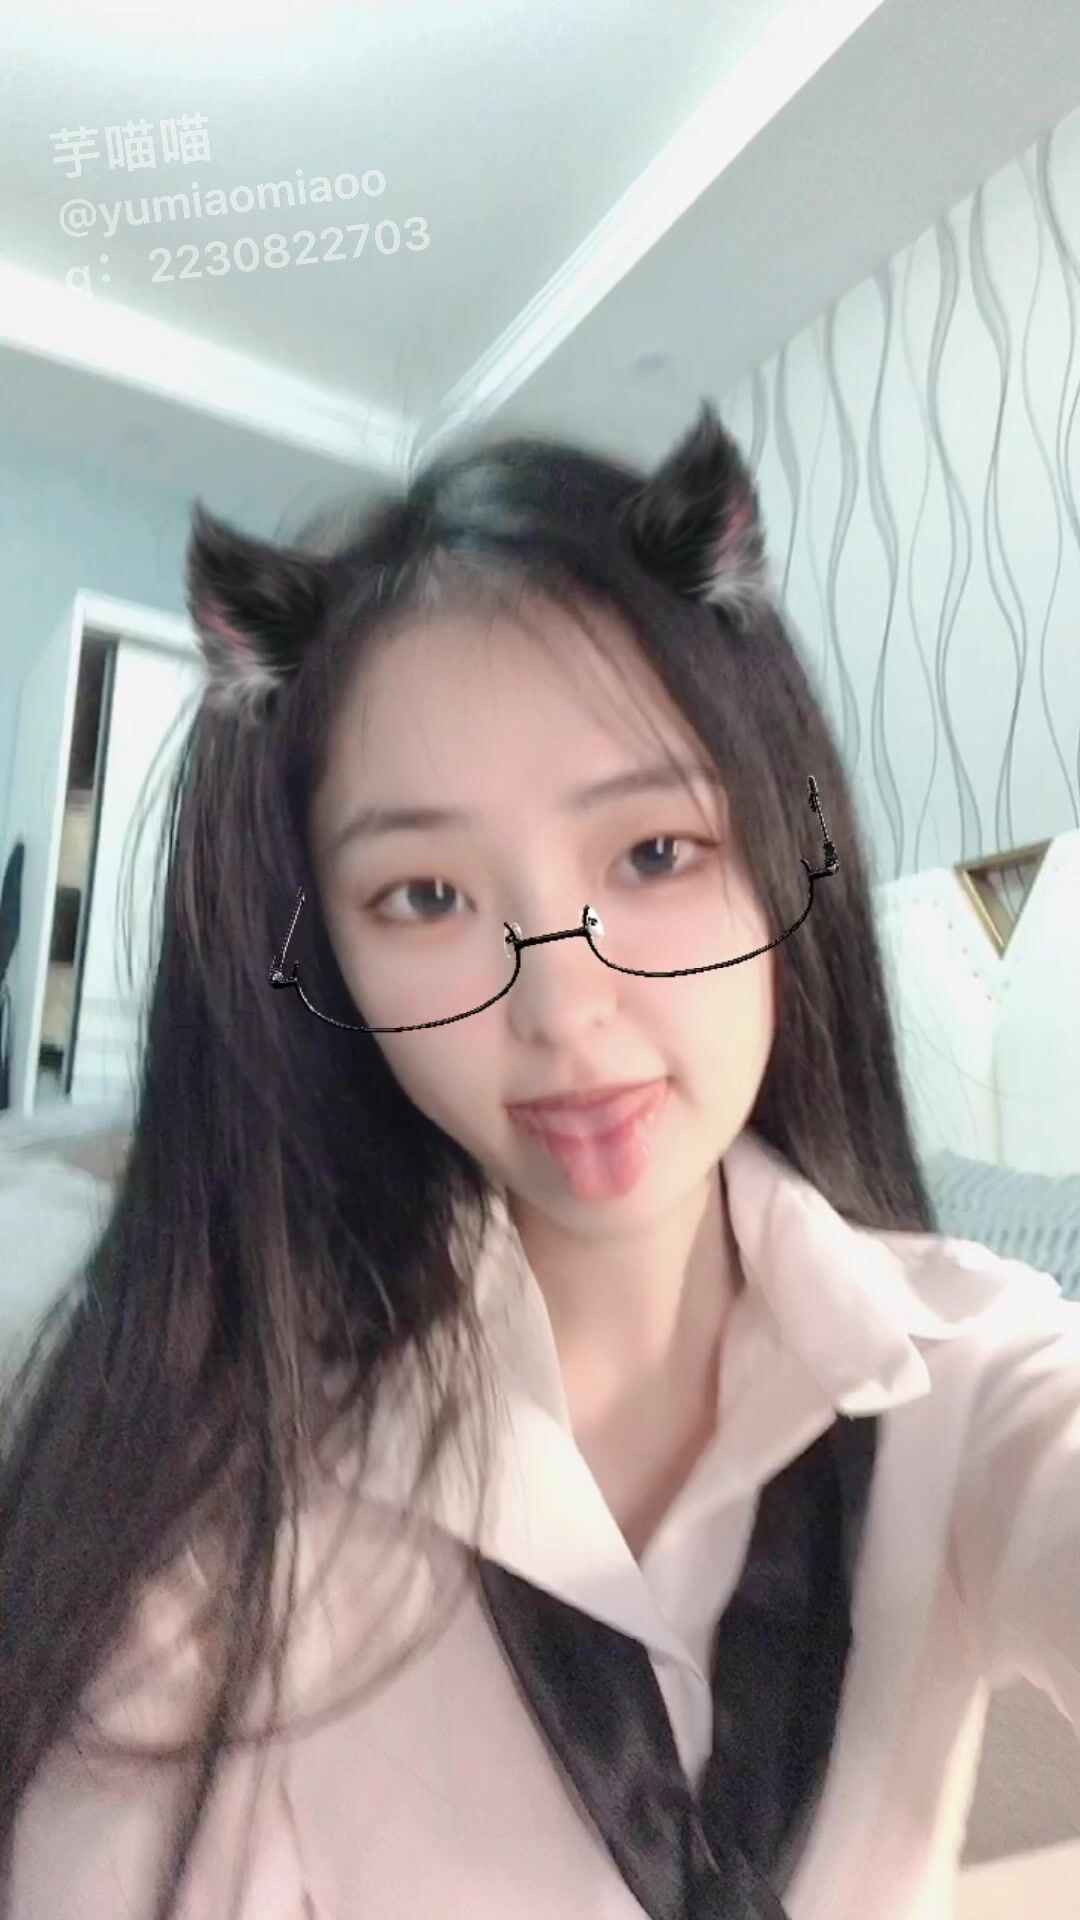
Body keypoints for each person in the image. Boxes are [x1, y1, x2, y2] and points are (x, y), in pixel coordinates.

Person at [1, 403, 1077, 1920]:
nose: (564, 1011)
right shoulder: (223, 1469)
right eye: (426, 895)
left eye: (654, 853)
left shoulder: (978, 1366)